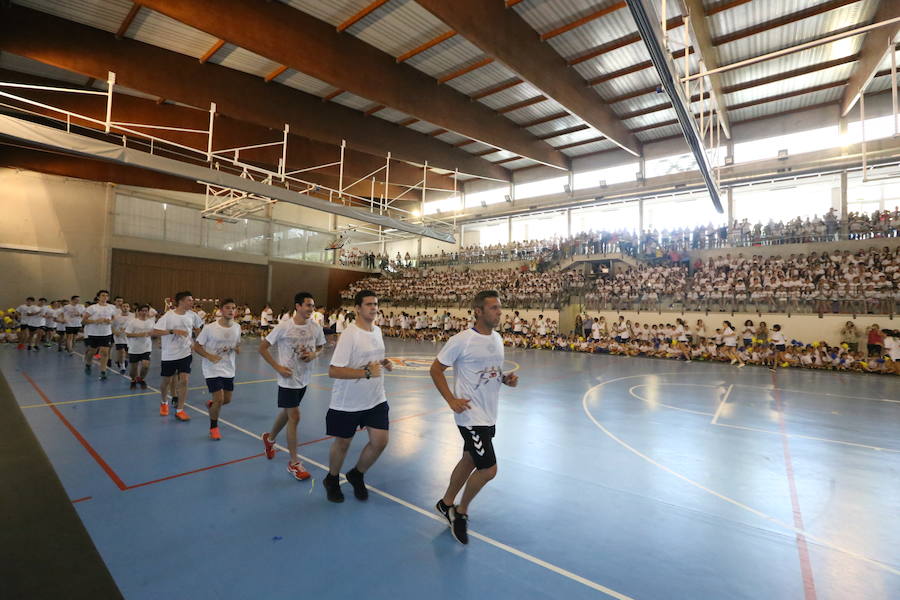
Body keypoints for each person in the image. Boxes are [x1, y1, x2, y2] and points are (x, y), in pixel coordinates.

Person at [429, 290, 519, 545]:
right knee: (488, 469)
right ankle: (461, 511)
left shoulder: (498, 338)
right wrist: (450, 399)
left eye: (500, 307)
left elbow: (491, 371)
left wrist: (505, 379)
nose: (499, 312)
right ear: (478, 311)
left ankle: (445, 502)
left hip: (489, 414)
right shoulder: (462, 340)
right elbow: (436, 370)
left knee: (469, 458)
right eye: (493, 308)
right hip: (470, 416)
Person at [323, 290, 393, 503]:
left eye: (376, 304)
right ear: (358, 308)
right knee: (343, 443)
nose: (374, 307)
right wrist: (366, 373)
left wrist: (384, 362)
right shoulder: (350, 335)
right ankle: (332, 479)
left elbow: (374, 358)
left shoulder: (377, 331)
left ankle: (357, 474)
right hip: (349, 401)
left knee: (380, 442)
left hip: (375, 398)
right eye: (369, 304)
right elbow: (333, 370)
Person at [259, 292, 325, 479]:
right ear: (297, 306)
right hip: (287, 379)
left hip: (304, 378)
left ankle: (269, 438)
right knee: (294, 416)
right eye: (307, 305)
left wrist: (314, 355)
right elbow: (262, 348)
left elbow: (321, 347)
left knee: (287, 414)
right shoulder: (284, 327)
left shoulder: (315, 328)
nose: (311, 309)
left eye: (312, 306)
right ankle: (294, 463)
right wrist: (277, 367)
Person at [193, 299, 242, 441]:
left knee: (226, 400)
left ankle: (212, 404)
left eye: (233, 308)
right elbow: (197, 346)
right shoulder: (209, 328)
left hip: (229, 368)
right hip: (212, 369)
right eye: (227, 308)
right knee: (219, 398)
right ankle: (213, 427)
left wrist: (236, 348)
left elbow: (238, 345)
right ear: (220, 310)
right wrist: (209, 356)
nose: (231, 310)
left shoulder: (237, 327)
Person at [152, 291, 203, 420]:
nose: (192, 303)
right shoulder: (168, 316)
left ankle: (180, 409)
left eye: (192, 300)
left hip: (185, 353)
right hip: (169, 354)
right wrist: (172, 331)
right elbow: (155, 331)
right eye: (189, 300)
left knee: (184, 380)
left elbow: (198, 328)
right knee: (166, 382)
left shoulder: (193, 315)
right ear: (181, 301)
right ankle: (164, 402)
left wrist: (198, 341)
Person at [82, 290, 118, 379]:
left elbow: (113, 318)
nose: (105, 297)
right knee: (92, 352)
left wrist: (110, 321)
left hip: (106, 333)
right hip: (93, 333)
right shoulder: (92, 308)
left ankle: (103, 371)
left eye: (106, 295)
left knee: (105, 353)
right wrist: (95, 321)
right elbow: (83, 321)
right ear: (98, 297)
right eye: (102, 295)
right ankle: (88, 364)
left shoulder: (112, 307)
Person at [125, 304, 155, 389]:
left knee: (146, 365)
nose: (144, 312)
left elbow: (154, 332)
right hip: (134, 348)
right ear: (138, 311)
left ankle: (141, 379)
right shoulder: (133, 322)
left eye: (146, 311)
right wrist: (140, 334)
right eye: (142, 310)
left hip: (146, 347)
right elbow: (127, 334)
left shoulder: (151, 322)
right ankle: (133, 380)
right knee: (133, 368)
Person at [112, 302, 132, 374]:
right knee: (121, 351)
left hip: (129, 337)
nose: (125, 308)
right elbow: (111, 327)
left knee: (127, 353)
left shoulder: (133, 316)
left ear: (129, 308)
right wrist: (115, 332)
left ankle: (122, 360)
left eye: (127, 306)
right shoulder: (116, 317)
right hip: (119, 337)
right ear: (121, 308)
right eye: (124, 306)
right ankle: (122, 366)